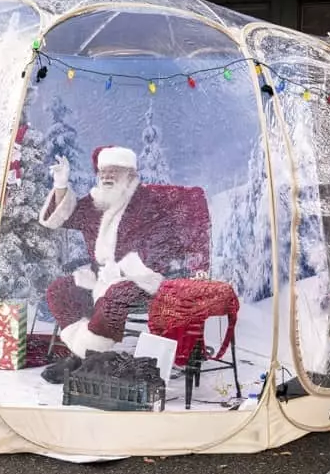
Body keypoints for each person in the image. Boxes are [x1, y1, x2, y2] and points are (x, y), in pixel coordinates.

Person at [38, 145, 208, 358]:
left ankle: (88, 354)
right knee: (59, 289)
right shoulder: (94, 203)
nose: (108, 176)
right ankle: (84, 350)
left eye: (115, 170)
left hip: (139, 277)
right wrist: (61, 184)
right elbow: (64, 217)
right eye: (104, 171)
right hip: (99, 276)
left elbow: (164, 245)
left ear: (131, 174)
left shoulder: (150, 202)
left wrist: (122, 271)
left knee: (113, 295)